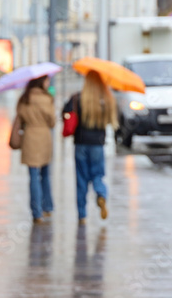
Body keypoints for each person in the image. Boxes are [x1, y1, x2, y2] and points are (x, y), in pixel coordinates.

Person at [62, 70, 118, 225]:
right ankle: (101, 194)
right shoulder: (106, 99)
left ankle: (82, 215)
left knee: (81, 180)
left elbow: (65, 113)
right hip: (97, 144)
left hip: (80, 143)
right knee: (97, 175)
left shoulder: (78, 98)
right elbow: (112, 120)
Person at [17, 75, 56, 224]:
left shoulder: (24, 98)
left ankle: (36, 212)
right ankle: (48, 206)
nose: (48, 83)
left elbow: (20, 117)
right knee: (45, 175)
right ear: (41, 82)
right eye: (46, 81)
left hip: (29, 138)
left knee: (33, 176)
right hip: (44, 138)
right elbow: (52, 122)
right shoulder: (47, 99)